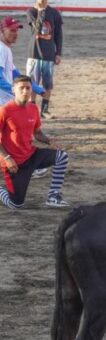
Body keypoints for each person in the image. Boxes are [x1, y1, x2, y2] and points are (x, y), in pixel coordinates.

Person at [0, 75, 69, 209]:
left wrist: (49, 141)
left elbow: (37, 133)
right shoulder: (4, 111)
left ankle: (53, 196)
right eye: (21, 88)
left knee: (62, 156)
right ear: (13, 90)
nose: (25, 91)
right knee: (16, 205)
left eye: (28, 88)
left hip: (31, 155)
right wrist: (7, 158)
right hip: (14, 163)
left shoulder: (33, 109)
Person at [0, 15, 48, 179]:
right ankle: (26, 167)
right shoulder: (0, 49)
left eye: (17, 30)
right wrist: (17, 92)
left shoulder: (6, 50)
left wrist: (37, 88)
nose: (15, 34)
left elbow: (15, 74)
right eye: (11, 30)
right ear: (1, 31)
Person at [26, 0, 63, 119]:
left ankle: (44, 110)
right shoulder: (31, 12)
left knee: (47, 84)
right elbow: (37, 29)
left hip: (49, 54)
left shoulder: (54, 13)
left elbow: (58, 34)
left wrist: (58, 53)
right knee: (32, 83)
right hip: (34, 53)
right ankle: (31, 110)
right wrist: (41, 11)